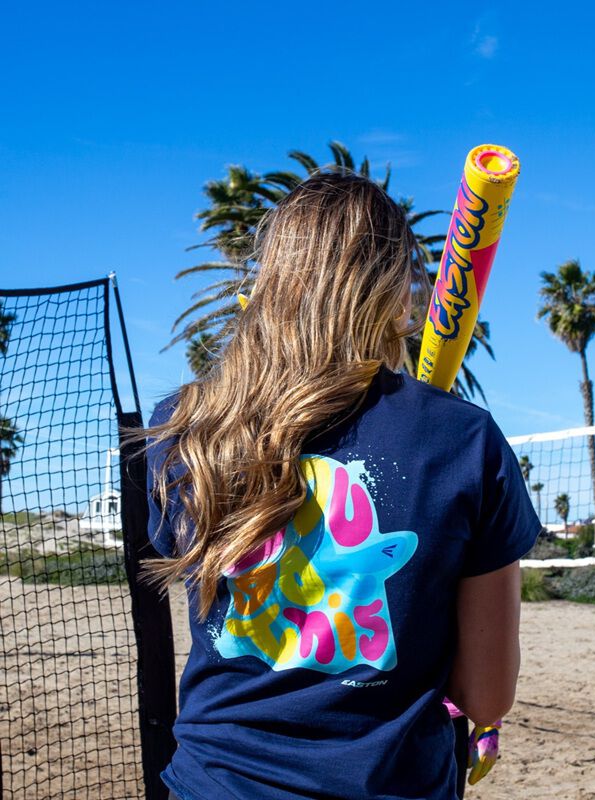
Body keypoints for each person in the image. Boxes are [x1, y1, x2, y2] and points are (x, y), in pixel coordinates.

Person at [142, 172, 541, 800]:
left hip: (210, 784)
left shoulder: (184, 428)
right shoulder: (463, 440)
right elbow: (485, 694)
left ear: (270, 278)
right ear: (400, 294)